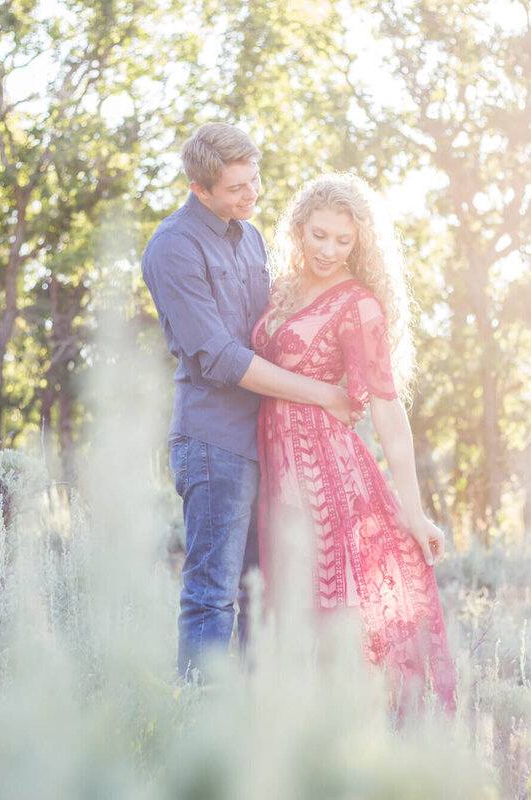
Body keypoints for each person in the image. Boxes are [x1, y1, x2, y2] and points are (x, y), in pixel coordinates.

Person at [141, 124, 360, 680]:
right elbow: (221, 359)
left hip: (270, 442)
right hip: (215, 442)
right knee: (213, 595)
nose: (252, 194)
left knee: (261, 595)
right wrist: (323, 395)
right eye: (237, 188)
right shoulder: (173, 247)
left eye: (254, 180)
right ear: (198, 187)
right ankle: (200, 727)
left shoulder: (252, 237)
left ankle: (254, 732)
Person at [253, 172, 456, 714]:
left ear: (360, 242)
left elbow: (388, 408)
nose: (329, 250)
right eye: (319, 235)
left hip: (321, 472)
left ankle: (346, 743)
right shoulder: (280, 289)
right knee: (280, 611)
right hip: (271, 466)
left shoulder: (358, 305)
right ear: (299, 228)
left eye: (344, 241)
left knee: (322, 611)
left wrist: (413, 511)